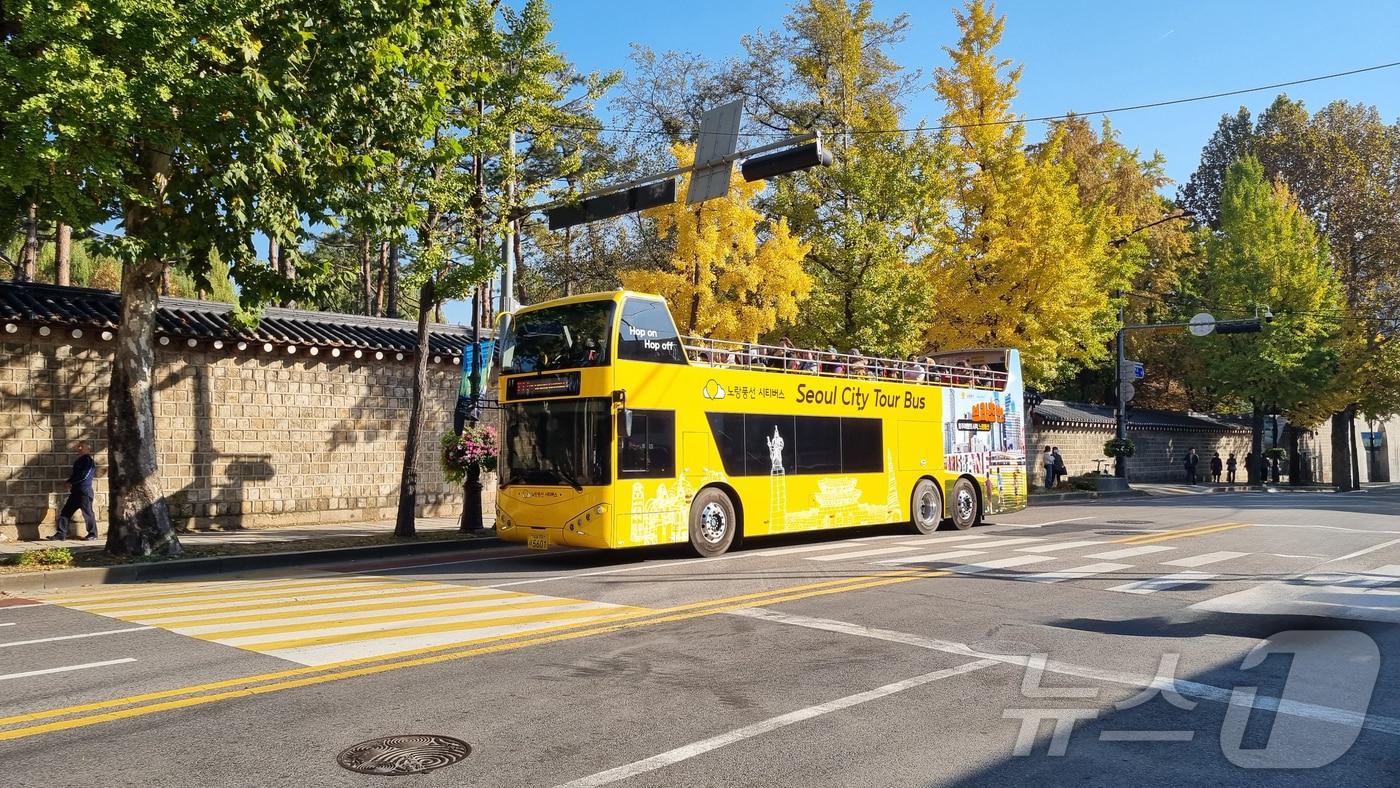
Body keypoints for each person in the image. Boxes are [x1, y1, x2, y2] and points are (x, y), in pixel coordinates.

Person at [49, 441, 98, 541]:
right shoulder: (79, 461)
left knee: (87, 513)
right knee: (65, 512)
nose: (79, 448)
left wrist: (71, 482)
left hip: (84, 492)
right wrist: (69, 481)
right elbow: (75, 475)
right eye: (78, 446)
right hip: (75, 492)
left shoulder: (88, 461)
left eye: (81, 447)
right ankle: (61, 534)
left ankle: (93, 534)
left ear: (88, 449)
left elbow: (84, 476)